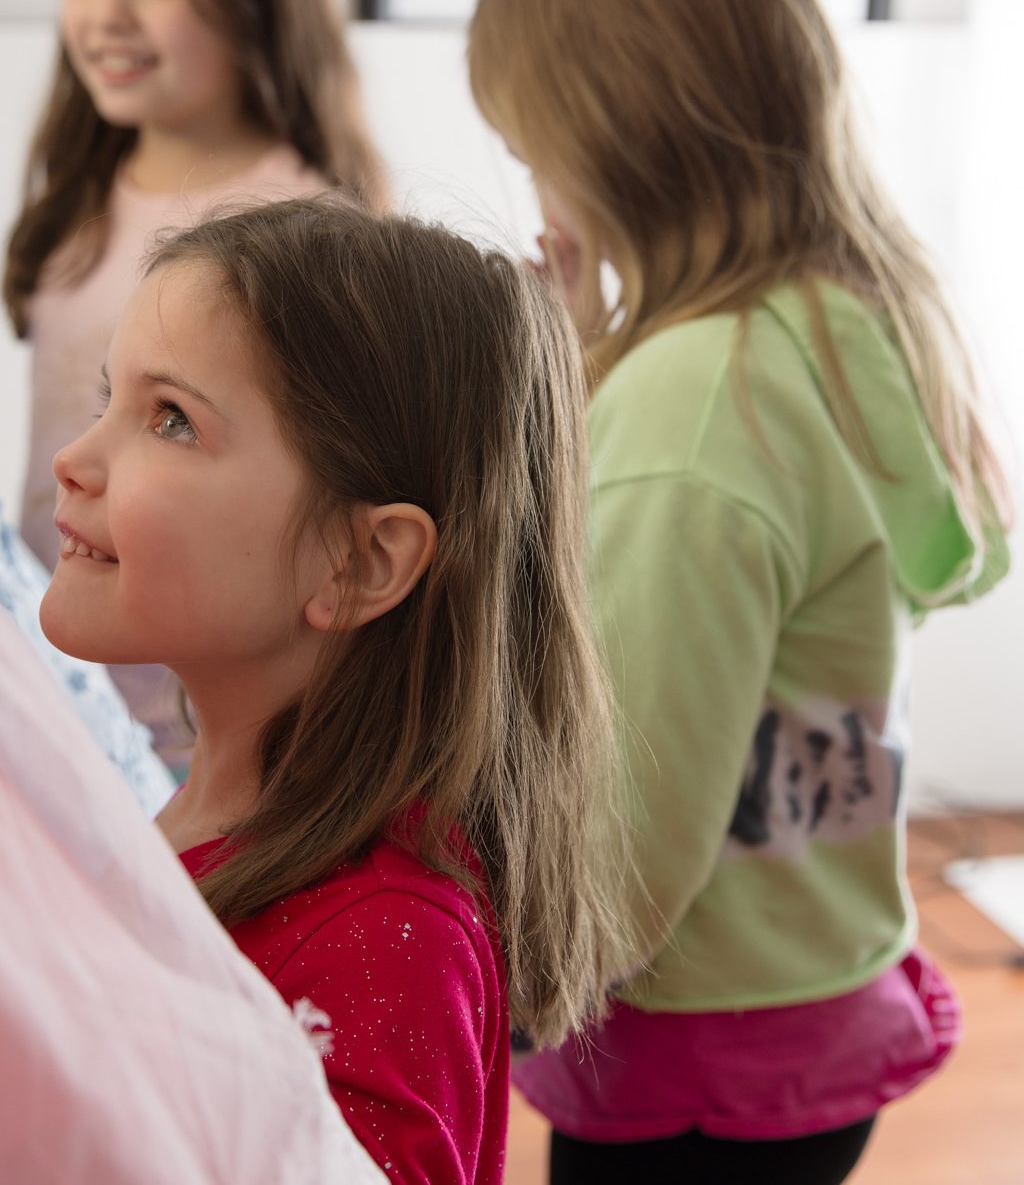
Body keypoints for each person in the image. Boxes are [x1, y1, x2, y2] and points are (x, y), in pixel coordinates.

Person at [466, 0, 1013, 1185]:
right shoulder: (834, 327)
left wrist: (509, 995)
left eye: (536, 149)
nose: (535, 185)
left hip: (685, 1052)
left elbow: (634, 824)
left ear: (616, 141)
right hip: (820, 989)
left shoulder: (694, 408)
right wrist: (595, 365)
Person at [38, 197, 637, 1183]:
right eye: (110, 398)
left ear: (360, 560)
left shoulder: (383, 947)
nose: (76, 461)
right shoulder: (224, 807)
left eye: (171, 420)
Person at [5, 0, 384, 769]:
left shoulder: (307, 231)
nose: (107, 10)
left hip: (197, 734)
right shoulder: (85, 193)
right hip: (50, 684)